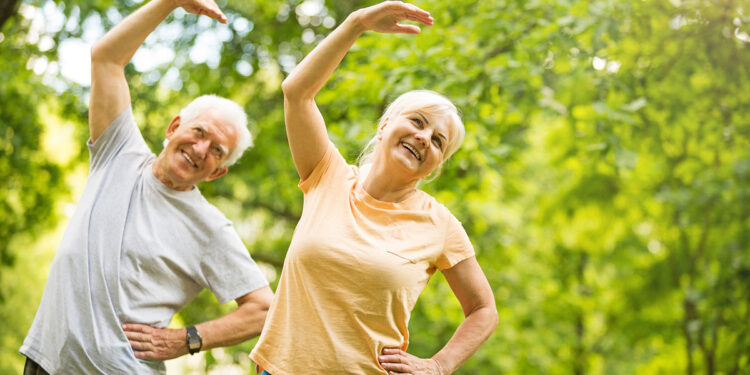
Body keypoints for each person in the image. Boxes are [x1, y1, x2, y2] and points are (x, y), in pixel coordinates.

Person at [19, 0, 273, 373]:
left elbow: (264, 309)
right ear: (174, 128)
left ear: (217, 172)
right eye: (198, 132)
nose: (200, 149)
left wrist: (187, 339)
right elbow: (106, 58)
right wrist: (170, 2)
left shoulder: (210, 226)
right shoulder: (118, 150)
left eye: (217, 150)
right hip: (48, 360)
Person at [249, 2, 498, 374]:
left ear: (436, 165)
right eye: (417, 121)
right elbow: (296, 93)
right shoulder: (327, 175)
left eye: (438, 141)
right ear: (384, 126)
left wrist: (438, 365)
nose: (424, 138)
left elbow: (484, 310)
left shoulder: (440, 225)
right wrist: (358, 23)